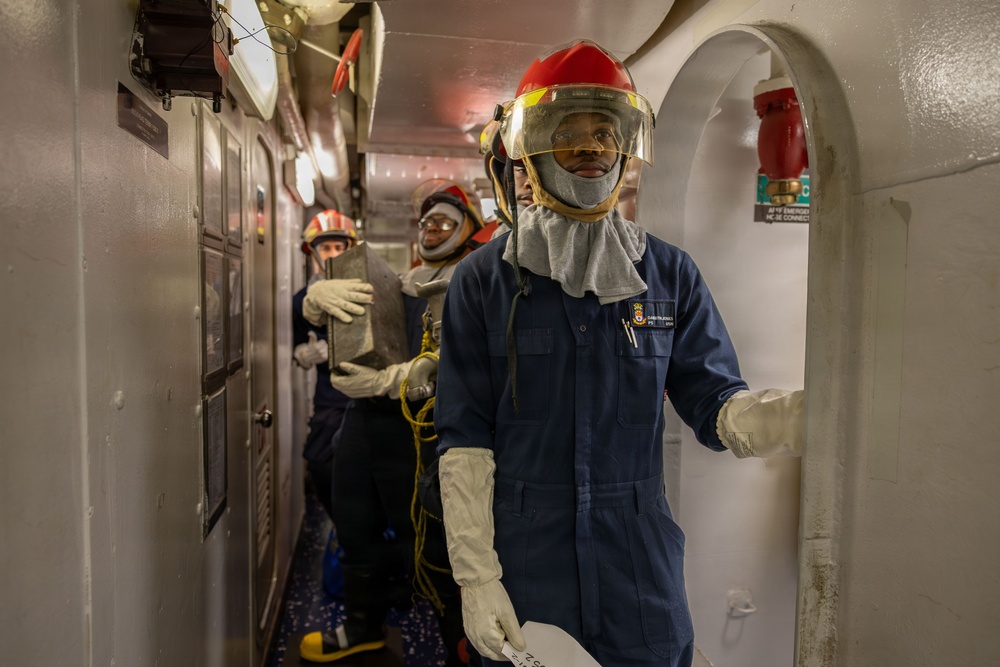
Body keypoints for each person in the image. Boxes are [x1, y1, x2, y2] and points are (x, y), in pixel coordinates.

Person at [433, 40, 805, 667]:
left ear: (626, 145)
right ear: (531, 148)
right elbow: (465, 441)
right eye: (568, 134)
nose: (591, 149)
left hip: (637, 555)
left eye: (604, 133)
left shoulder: (669, 274)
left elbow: (716, 406)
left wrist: (799, 418)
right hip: (526, 553)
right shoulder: (482, 281)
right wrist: (476, 576)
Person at [299, 182, 486, 665]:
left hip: (422, 431)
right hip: (363, 422)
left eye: (443, 222)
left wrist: (390, 381)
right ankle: (363, 625)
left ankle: (460, 647)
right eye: (426, 222)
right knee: (353, 524)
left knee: (426, 543)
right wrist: (316, 295)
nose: (431, 229)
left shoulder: (477, 279)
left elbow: (470, 363)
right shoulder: (403, 281)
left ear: (467, 227)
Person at [293, 209, 359, 521]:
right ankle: (340, 525)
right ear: (313, 252)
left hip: (367, 396)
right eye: (326, 247)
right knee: (320, 464)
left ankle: (360, 534)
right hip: (329, 398)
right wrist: (303, 354)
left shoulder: (364, 290)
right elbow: (295, 342)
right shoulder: (302, 299)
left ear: (349, 249)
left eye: (338, 246)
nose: (332, 253)